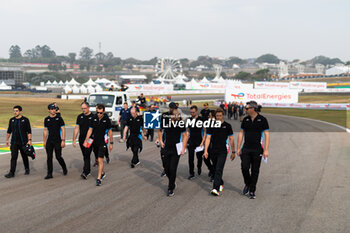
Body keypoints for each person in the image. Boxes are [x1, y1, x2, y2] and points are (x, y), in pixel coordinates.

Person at [236, 101, 270, 199]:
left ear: (253, 109)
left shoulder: (262, 120)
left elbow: (267, 135)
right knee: (244, 167)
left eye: (247, 108)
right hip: (246, 148)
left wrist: (266, 150)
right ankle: (248, 183)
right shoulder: (245, 120)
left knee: (255, 170)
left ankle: (252, 190)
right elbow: (241, 133)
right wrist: (238, 147)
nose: (245, 110)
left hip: (257, 149)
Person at [204, 108, 235, 196]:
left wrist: (233, 152)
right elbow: (208, 138)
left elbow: (231, 139)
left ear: (223, 115)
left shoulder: (227, 126)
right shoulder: (211, 125)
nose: (218, 117)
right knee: (215, 168)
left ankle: (215, 189)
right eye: (217, 116)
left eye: (220, 116)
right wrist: (206, 150)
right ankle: (220, 182)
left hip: (223, 151)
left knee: (218, 168)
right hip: (213, 150)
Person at [158, 108, 188, 196]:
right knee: (166, 168)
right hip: (166, 147)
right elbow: (160, 130)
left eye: (176, 118)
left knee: (172, 169)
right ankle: (172, 182)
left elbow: (185, 136)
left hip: (176, 149)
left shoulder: (180, 124)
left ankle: (170, 188)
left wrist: (183, 148)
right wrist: (161, 140)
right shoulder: (166, 123)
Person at [83, 104, 113, 186]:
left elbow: (110, 132)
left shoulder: (106, 119)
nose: (99, 114)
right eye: (97, 112)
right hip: (94, 142)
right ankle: (102, 172)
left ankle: (99, 178)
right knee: (97, 159)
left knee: (100, 160)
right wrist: (86, 140)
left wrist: (111, 143)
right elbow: (90, 129)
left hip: (102, 142)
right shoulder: (94, 118)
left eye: (100, 113)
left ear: (103, 111)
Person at [5, 105, 32, 178]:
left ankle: (27, 168)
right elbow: (9, 131)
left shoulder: (25, 120)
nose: (15, 112)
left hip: (23, 142)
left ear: (20, 111)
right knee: (13, 157)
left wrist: (29, 140)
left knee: (24, 156)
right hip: (14, 142)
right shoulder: (12, 120)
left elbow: (29, 131)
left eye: (16, 111)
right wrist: (7, 139)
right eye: (14, 111)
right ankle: (12, 172)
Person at [43, 103, 68, 179]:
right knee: (49, 157)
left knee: (58, 156)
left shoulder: (59, 118)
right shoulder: (46, 119)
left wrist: (63, 140)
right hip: (49, 141)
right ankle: (49, 173)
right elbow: (45, 130)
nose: (53, 111)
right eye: (52, 109)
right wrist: (44, 141)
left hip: (58, 140)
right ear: (49, 110)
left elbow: (63, 130)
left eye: (54, 109)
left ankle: (64, 167)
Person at [73, 102, 94, 179]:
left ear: (88, 108)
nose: (83, 110)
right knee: (85, 155)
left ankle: (86, 171)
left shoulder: (93, 117)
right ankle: (87, 169)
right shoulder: (80, 117)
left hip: (90, 139)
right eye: (82, 108)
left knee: (87, 154)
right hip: (81, 139)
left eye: (85, 108)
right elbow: (76, 128)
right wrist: (74, 139)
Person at [187, 105, 209, 180]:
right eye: (191, 112)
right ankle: (191, 173)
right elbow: (187, 131)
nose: (192, 114)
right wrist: (186, 141)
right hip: (191, 141)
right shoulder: (189, 120)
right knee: (190, 158)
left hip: (199, 141)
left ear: (196, 112)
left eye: (193, 112)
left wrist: (203, 142)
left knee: (199, 157)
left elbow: (205, 131)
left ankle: (199, 167)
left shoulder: (201, 119)